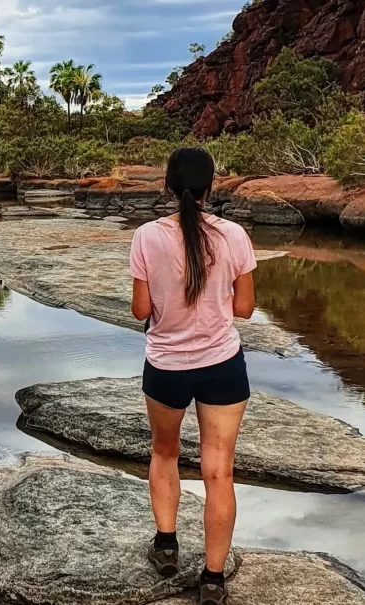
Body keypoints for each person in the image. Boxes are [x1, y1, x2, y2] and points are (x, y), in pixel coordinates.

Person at [129, 147, 257, 605]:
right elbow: (243, 308)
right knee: (218, 470)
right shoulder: (235, 235)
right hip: (222, 364)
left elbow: (141, 309)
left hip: (166, 365)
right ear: (211, 186)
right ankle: (212, 579)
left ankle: (166, 544)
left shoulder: (146, 236)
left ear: (167, 185)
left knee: (164, 452)